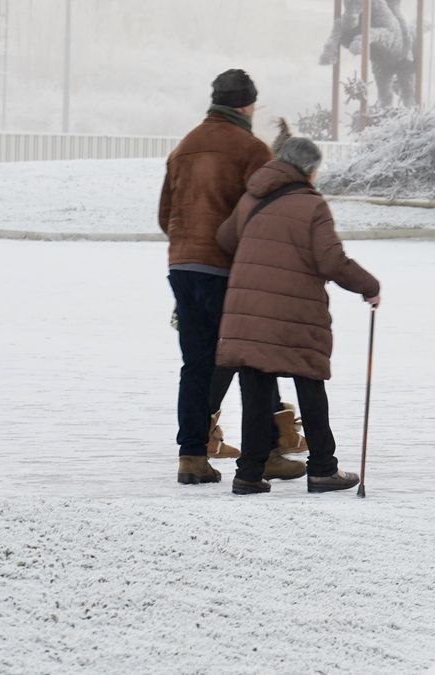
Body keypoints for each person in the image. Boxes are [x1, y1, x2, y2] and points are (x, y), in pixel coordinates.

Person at [159, 69, 307, 485]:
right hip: (227, 269)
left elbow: (164, 214)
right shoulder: (251, 149)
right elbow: (263, 215)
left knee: (196, 365)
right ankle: (269, 453)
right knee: (254, 358)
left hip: (182, 267)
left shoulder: (184, 147)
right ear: (247, 105)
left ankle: (191, 456)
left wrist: (187, 248)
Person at [216, 137, 381, 495]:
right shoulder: (311, 205)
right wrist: (369, 285)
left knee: (255, 394)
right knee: (309, 384)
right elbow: (331, 260)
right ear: (310, 170)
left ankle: (248, 474)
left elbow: (225, 238)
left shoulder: (251, 197)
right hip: (295, 312)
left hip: (247, 312)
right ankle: (322, 468)